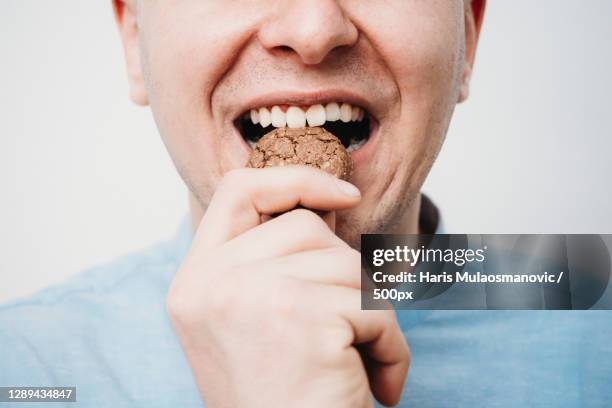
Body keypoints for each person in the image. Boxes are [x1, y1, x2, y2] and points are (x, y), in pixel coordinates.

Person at [1, 0, 610, 406]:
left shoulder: (594, 319)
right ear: (134, 37)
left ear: (468, 36)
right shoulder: (22, 368)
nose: (313, 31)